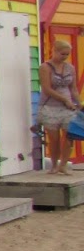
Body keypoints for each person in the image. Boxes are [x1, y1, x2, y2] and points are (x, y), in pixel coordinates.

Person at [38, 39, 79, 175]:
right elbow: (47, 89)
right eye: (62, 54)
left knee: (70, 136)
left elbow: (73, 88)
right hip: (50, 106)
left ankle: (63, 165)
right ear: (54, 51)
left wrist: (78, 104)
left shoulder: (70, 68)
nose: (65, 57)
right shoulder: (45, 67)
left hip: (68, 108)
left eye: (67, 54)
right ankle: (54, 165)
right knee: (54, 139)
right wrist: (64, 99)